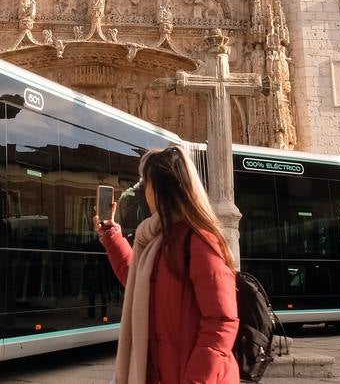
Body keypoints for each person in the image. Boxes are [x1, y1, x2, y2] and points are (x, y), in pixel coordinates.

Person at [94, 145, 238, 384]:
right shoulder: (159, 238)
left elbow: (221, 321)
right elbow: (137, 281)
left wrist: (195, 380)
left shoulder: (199, 241)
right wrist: (111, 236)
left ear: (162, 189)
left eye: (147, 184)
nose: (144, 192)